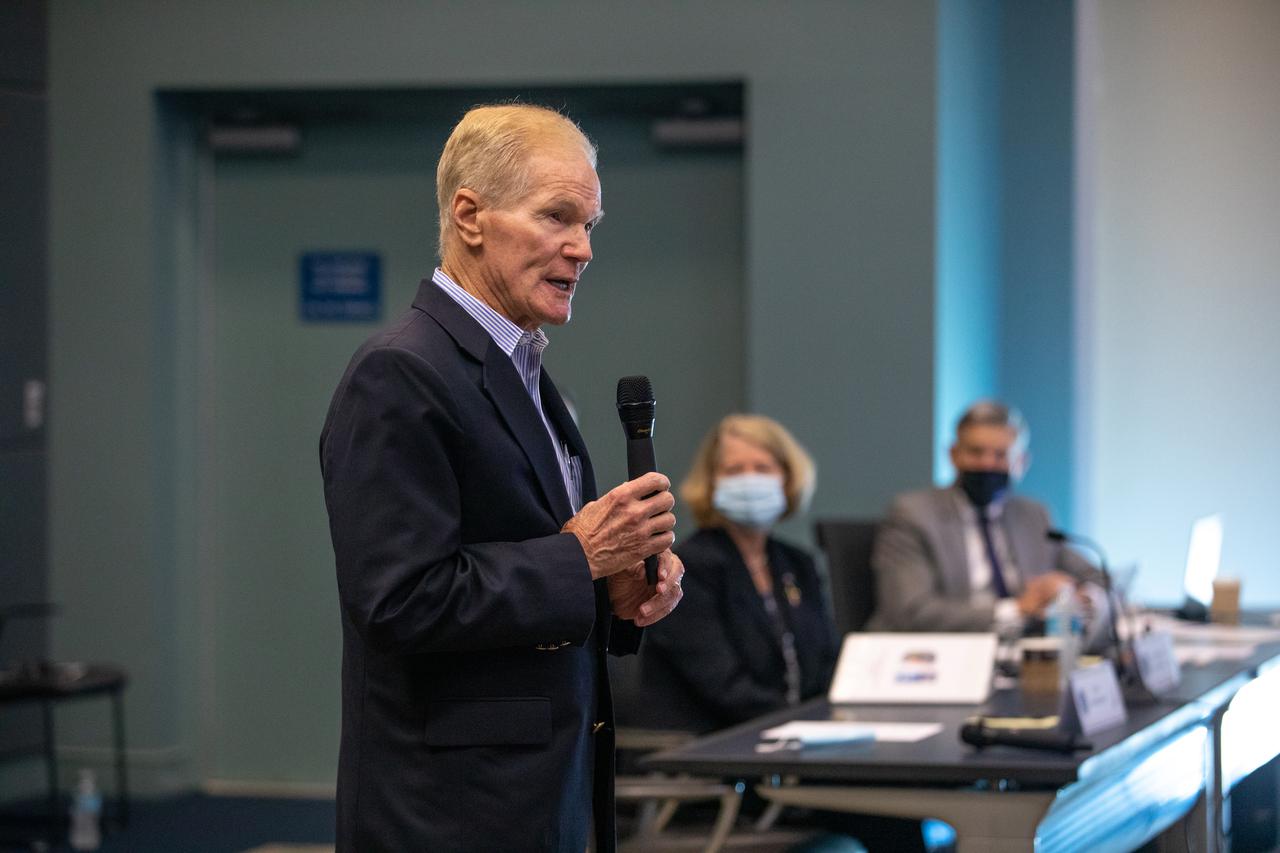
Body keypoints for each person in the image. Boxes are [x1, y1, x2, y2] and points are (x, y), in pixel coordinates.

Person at [319, 104, 684, 853]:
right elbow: (397, 601)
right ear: (470, 216)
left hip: (544, 796)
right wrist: (579, 556)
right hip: (448, 814)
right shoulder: (400, 373)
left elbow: (527, 573)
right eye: (557, 216)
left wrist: (609, 588)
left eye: (590, 225)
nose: (581, 249)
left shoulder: (529, 376)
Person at [633, 414, 837, 734]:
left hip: (789, 743)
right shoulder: (687, 568)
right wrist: (802, 724)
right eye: (733, 470)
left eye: (762, 468)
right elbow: (723, 686)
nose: (749, 479)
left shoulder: (798, 564)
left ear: (788, 478)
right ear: (712, 482)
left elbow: (826, 662)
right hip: (706, 753)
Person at [867, 400, 1095, 634]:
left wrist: (1075, 595)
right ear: (954, 455)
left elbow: (1094, 576)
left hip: (1018, 653)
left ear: (1021, 463)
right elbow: (911, 611)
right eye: (976, 452)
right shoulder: (914, 514)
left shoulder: (1033, 516)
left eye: (1000, 455)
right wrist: (1016, 609)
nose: (987, 464)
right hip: (941, 651)